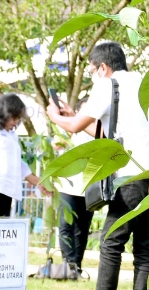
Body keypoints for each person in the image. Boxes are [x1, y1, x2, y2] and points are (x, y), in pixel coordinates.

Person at [46, 41, 149, 290]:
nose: (93, 76)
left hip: (137, 171)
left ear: (103, 68)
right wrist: (74, 116)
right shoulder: (143, 83)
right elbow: (110, 132)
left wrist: (54, 116)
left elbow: (73, 129)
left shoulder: (107, 84)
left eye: (93, 71)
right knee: (145, 244)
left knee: (111, 239)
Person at [0, 94, 49, 216]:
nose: (15, 122)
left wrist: (39, 182)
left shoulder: (11, 135)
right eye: (13, 117)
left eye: (18, 118)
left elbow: (18, 164)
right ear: (3, 113)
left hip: (6, 190)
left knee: (3, 230)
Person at [54, 98, 94, 273]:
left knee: (82, 228)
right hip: (67, 187)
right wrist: (70, 127)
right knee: (65, 226)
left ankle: (76, 265)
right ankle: (68, 263)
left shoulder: (97, 130)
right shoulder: (69, 128)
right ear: (77, 112)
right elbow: (56, 144)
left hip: (89, 187)